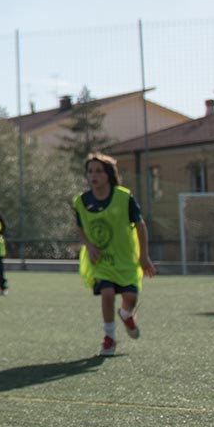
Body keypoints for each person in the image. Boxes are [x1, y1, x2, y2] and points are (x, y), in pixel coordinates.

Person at [73, 153, 155, 357]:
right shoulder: (82, 201)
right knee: (107, 294)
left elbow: (140, 225)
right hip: (100, 259)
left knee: (130, 297)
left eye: (99, 171)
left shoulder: (124, 197)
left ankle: (126, 315)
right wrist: (89, 246)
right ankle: (109, 338)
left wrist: (143, 256)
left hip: (126, 258)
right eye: (90, 171)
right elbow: (79, 227)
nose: (94, 175)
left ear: (109, 174)